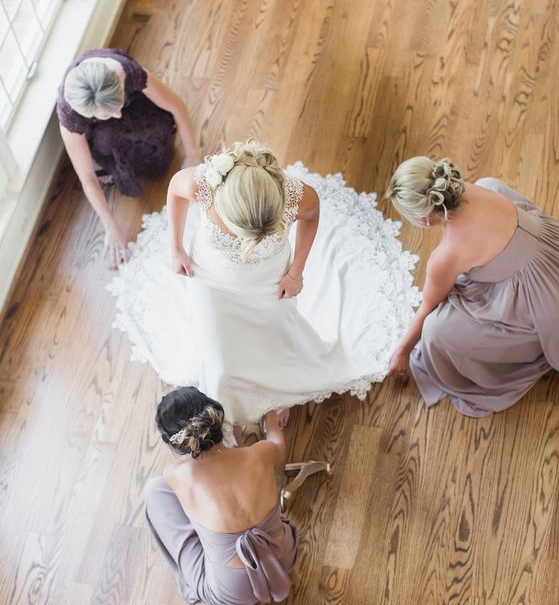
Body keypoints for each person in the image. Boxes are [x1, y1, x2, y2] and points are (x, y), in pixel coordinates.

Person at [109, 140, 420, 425]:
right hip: (211, 283)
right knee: (219, 357)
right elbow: (175, 192)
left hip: (269, 281)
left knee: (275, 339)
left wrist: (296, 272)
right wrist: (175, 246)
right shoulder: (203, 184)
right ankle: (226, 410)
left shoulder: (296, 195)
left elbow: (312, 217)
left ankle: (279, 391)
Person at [386, 157, 559, 416]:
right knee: (491, 183)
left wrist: (403, 350)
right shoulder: (475, 187)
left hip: (550, 304)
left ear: (423, 219)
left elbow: (426, 309)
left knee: (435, 333)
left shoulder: (446, 256)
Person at [145, 386, 329, 605]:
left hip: (232, 592)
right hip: (283, 558)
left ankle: (215, 548)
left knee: (154, 490)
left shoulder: (177, 474)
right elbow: (276, 441)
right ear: (217, 418)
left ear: (178, 443)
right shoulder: (260, 454)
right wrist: (268, 412)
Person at [57, 47, 200, 267]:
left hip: (139, 109)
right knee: (107, 140)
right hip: (104, 136)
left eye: (117, 106)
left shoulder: (125, 72)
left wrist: (192, 154)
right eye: (107, 114)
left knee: (157, 129)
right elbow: (86, 176)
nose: (116, 114)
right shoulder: (70, 114)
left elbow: (177, 107)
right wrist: (111, 227)